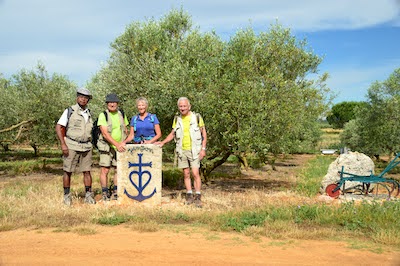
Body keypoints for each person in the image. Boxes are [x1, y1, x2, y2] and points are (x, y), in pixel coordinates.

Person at [157, 97, 207, 207]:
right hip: (182, 150)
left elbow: (204, 134)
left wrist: (203, 149)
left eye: (184, 106)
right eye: (180, 106)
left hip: (195, 150)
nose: (182, 108)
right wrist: (163, 142)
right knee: (186, 173)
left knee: (195, 173)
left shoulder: (197, 117)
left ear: (189, 106)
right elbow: (172, 134)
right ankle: (189, 195)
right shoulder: (177, 119)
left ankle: (198, 195)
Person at [55, 87, 96, 206]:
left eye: (86, 98)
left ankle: (88, 195)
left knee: (87, 171)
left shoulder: (89, 113)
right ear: (77, 98)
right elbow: (59, 127)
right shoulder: (70, 111)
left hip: (86, 146)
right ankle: (67, 196)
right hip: (72, 145)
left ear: (88, 100)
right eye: (81, 97)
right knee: (68, 171)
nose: (83, 100)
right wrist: (63, 144)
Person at [97, 93, 129, 201]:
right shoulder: (103, 115)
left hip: (119, 147)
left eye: (114, 102)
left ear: (117, 103)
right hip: (107, 147)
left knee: (117, 169)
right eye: (110, 102)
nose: (112, 104)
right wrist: (117, 144)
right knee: (105, 170)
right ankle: (105, 193)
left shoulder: (122, 114)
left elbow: (125, 129)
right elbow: (105, 134)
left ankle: (116, 192)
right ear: (107, 104)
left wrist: (124, 142)